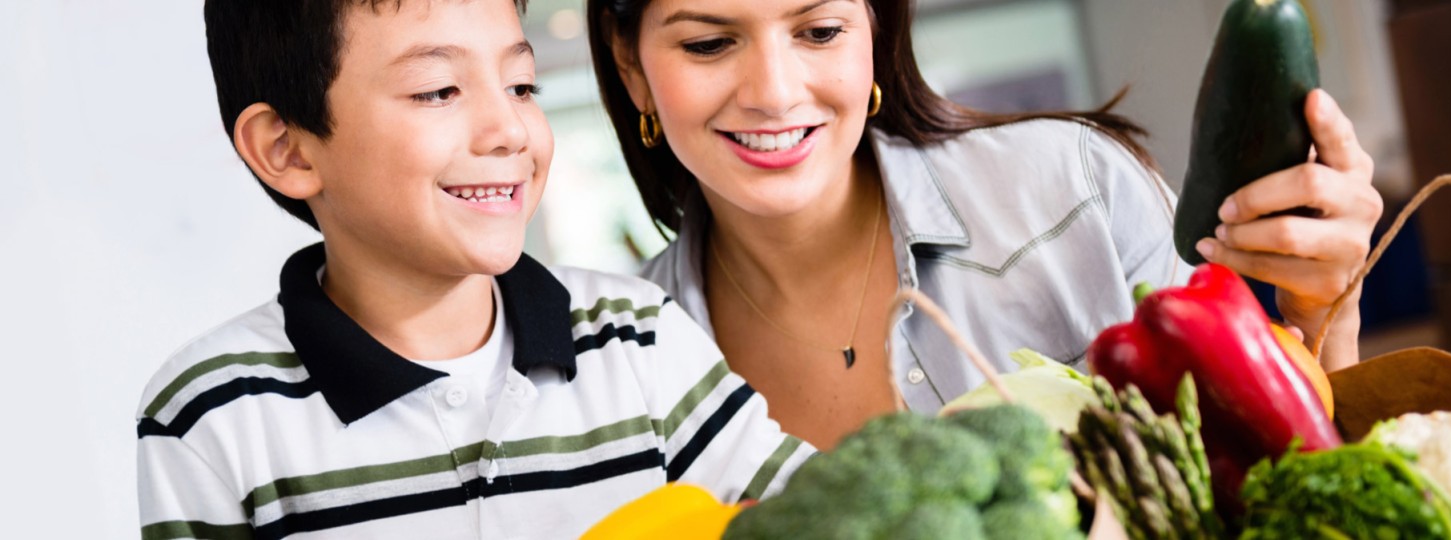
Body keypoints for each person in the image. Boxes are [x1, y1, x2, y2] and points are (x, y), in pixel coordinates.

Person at [136, 1, 812, 537]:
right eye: (438, 91)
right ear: (287, 149)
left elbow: (829, 519)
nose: (509, 129)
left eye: (522, 85)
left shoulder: (638, 338)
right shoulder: (211, 412)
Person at [587, 0, 1383, 450]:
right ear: (632, 68)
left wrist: (1321, 315)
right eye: (708, 42)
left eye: (819, 31)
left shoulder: (1077, 189)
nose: (773, 90)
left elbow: (1281, 473)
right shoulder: (616, 370)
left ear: (874, 30)